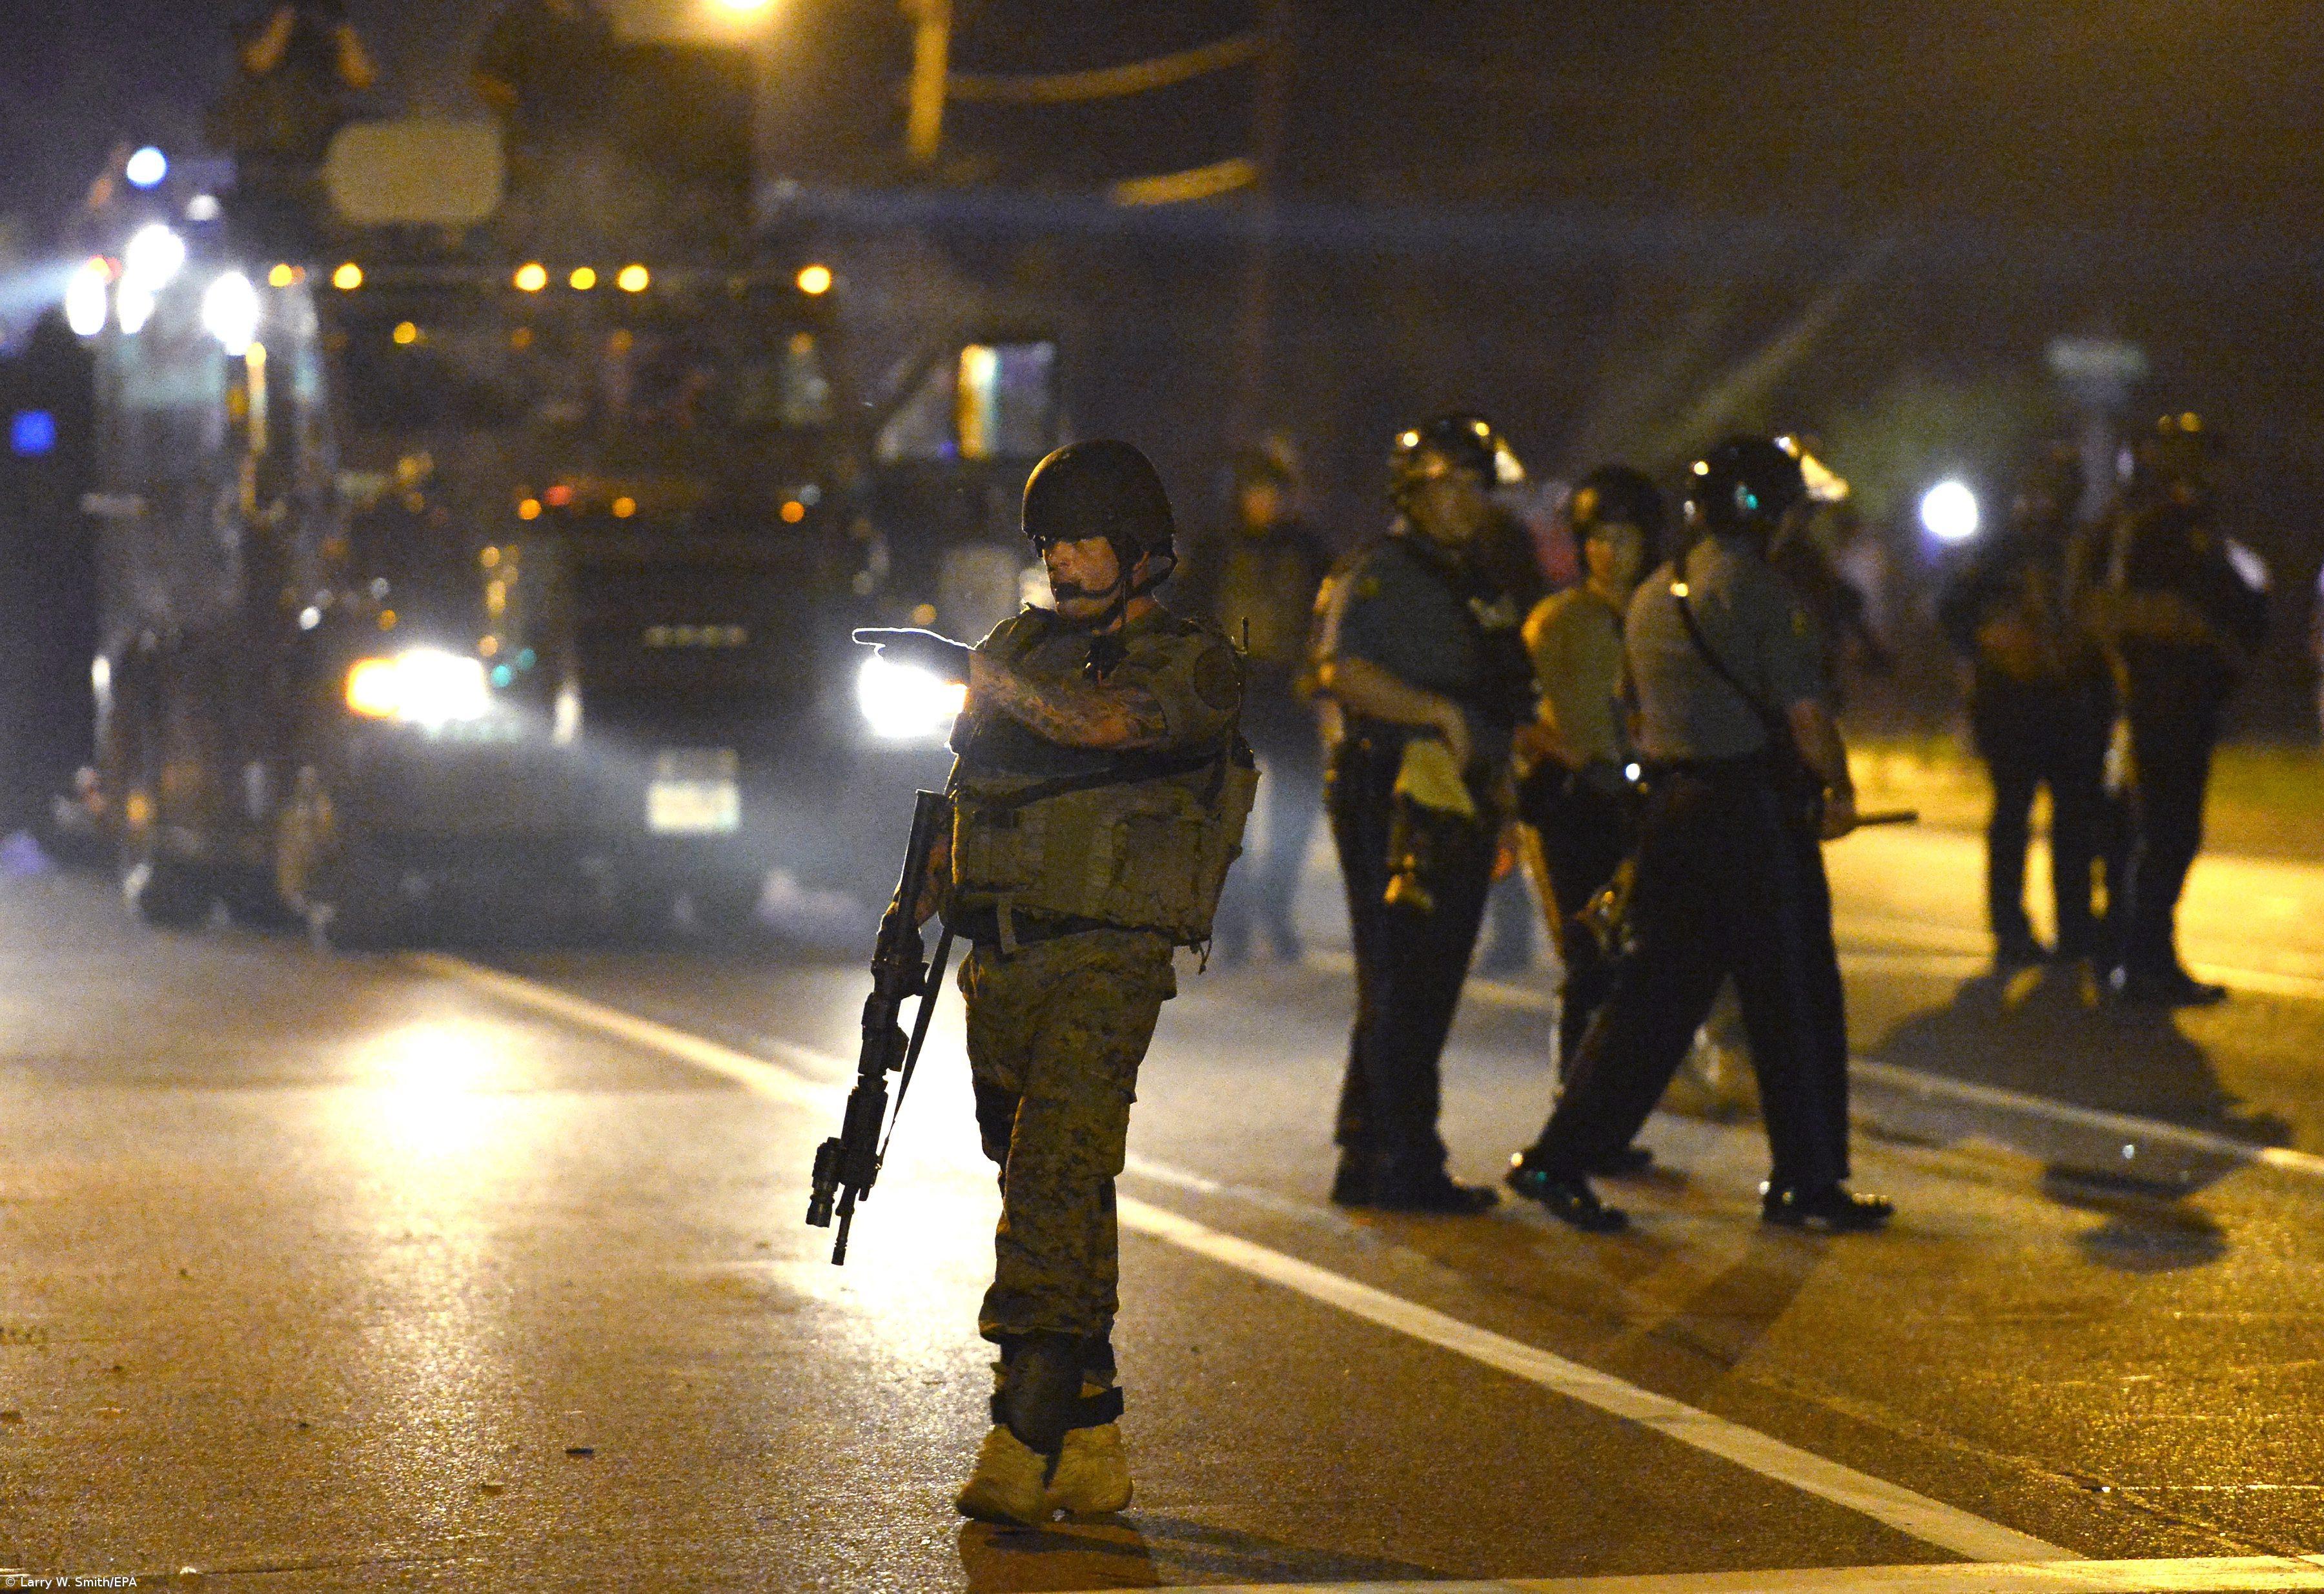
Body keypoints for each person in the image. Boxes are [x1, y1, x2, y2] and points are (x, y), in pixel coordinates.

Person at [867, 440, 1250, 1528]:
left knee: (1050, 1179)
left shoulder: (1193, 661)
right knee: (1054, 1180)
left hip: (1108, 954)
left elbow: (1108, 725)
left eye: (1085, 541)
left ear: (1140, 550)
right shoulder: (1022, 647)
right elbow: (965, 793)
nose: (1066, 562)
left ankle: (1020, 1431)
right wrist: (909, 918)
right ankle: (1091, 1431)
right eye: (1052, 544)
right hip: (1006, 955)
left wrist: (967, 667)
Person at [1505, 436, 1890, 1234]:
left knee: (1653, 1001)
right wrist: (1840, 790)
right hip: (1749, 816)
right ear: (1770, 513)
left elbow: (1633, 712)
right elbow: (1808, 719)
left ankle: (1558, 1155)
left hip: (1673, 817)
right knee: (1793, 1001)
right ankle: (1807, 1180)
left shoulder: (1653, 595)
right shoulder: (1761, 592)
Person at [1310, 414, 1536, 1212]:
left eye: (1482, 485)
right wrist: (1435, 711)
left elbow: (1502, 698)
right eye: (1458, 484)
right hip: (1402, 788)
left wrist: (1502, 798)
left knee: (1415, 980)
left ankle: (1370, 1150)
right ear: (1415, 487)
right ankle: (1404, 1160)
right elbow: (1341, 670)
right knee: (1409, 978)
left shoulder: (1474, 577)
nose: (1474, 501)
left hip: (1464, 793)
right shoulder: (1379, 570)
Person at [2091, 414, 2268, 1006]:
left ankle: (2145, 956)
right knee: (2159, 831)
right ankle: (2137, 960)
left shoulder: (2197, 531)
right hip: (2155, 702)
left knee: (2169, 831)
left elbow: (2241, 608)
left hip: (2184, 700)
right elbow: (2126, 614)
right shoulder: (2146, 529)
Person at [1512, 467, 1662, 1127]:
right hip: (1570, 804)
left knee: (1636, 964)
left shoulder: (1667, 616)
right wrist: (1570, 752)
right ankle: (1572, 1114)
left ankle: (1607, 1115)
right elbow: (1512, 709)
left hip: (1644, 802)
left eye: (1625, 537)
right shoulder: (1558, 621)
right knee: (1586, 957)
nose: (1610, 551)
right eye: (1598, 538)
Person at [1937, 444, 2115, 970]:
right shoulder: (2001, 548)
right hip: (2014, 701)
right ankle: (2011, 929)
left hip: (2073, 699)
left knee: (2074, 819)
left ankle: (2075, 928)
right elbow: (1955, 612)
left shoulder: (2089, 546)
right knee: (2014, 815)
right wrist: (1992, 635)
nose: (2052, 498)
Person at [1179, 447, 1330, 964]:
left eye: (1274, 493)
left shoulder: (1309, 551)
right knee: (1225, 812)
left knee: (1299, 803)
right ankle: (1235, 918)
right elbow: (1189, 615)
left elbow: (1329, 616)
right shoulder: (1217, 549)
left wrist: (1320, 674)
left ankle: (1276, 902)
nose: (1266, 503)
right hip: (1233, 695)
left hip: (1289, 693)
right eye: (1258, 492)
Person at [474, 0, 618, 153]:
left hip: (587, 146)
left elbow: (609, 81)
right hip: (535, 144)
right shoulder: (517, 18)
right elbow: (486, 78)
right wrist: (522, 114)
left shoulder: (594, 21)